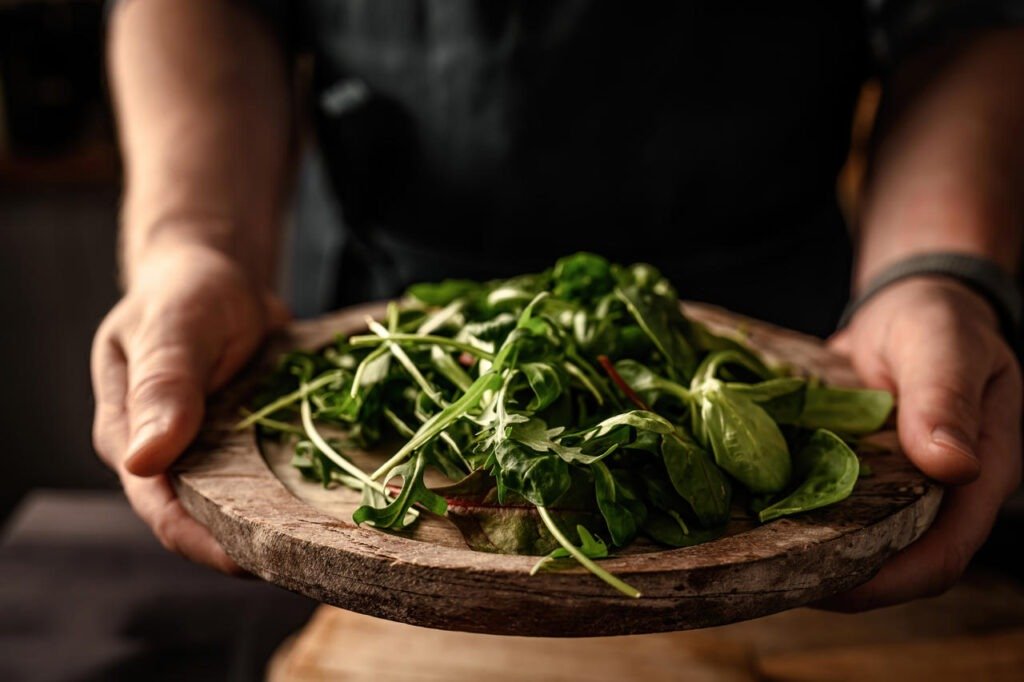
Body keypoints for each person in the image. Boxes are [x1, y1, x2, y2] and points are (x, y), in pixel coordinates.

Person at [92, 0, 1024, 610]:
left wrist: (935, 272)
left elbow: (966, 18)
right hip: (390, 314)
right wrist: (194, 245)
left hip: (787, 322)